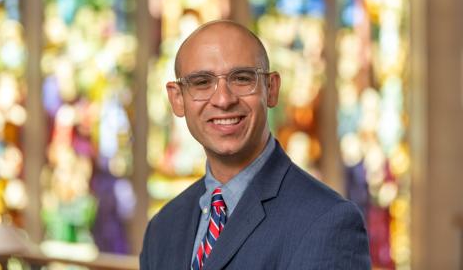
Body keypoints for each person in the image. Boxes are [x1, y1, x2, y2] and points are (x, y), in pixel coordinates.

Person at [140, 20, 371, 269]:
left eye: (241, 79)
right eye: (202, 82)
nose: (223, 99)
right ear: (177, 99)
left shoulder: (328, 222)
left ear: (271, 89)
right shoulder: (162, 228)